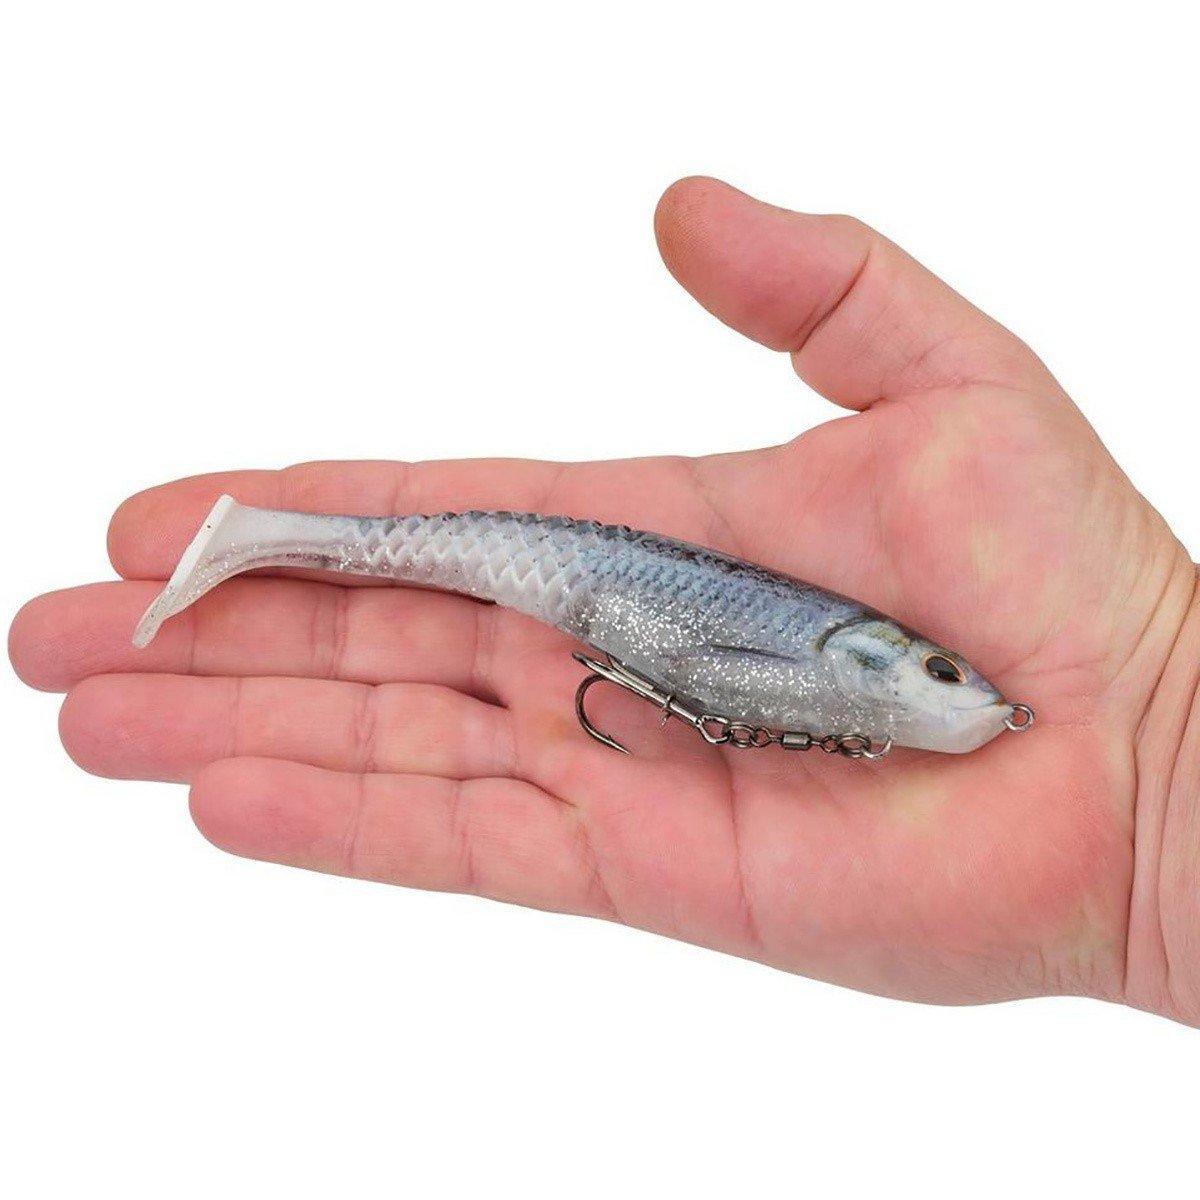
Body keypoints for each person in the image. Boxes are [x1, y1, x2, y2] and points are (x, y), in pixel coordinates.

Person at [9, 177, 1197, 1026]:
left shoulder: (892, 696)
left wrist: (1161, 752)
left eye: (949, 678)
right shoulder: (850, 664)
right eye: (941, 673)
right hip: (595, 577)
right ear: (877, 657)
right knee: (416, 554)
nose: (966, 696)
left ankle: (270, 543)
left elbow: (718, 682)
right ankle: (270, 542)